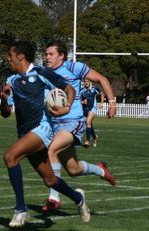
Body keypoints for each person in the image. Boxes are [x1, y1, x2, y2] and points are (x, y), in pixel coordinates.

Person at [0, 40, 90, 228]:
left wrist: (66, 107)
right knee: (49, 180)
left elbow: (69, 88)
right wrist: (4, 99)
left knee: (10, 156)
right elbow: (6, 113)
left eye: (10, 56)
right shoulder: (11, 80)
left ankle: (21, 209)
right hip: (26, 133)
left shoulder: (41, 73)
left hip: (43, 129)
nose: (8, 59)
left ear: (21, 56)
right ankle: (78, 198)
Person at [42, 41, 116, 213]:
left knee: (51, 151)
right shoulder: (44, 73)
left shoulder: (74, 67)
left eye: (50, 54)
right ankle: (101, 170)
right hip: (54, 124)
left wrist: (112, 103)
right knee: (73, 170)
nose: (47, 57)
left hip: (73, 121)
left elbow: (101, 79)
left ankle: (53, 198)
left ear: (61, 56)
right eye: (45, 54)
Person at [80, 79, 104, 147]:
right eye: (85, 81)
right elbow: (78, 99)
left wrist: (101, 103)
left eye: (88, 81)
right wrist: (82, 102)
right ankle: (94, 137)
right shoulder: (81, 90)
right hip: (84, 109)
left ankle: (87, 140)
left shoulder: (94, 89)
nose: (86, 82)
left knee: (88, 121)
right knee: (89, 124)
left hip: (93, 108)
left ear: (90, 82)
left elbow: (102, 93)